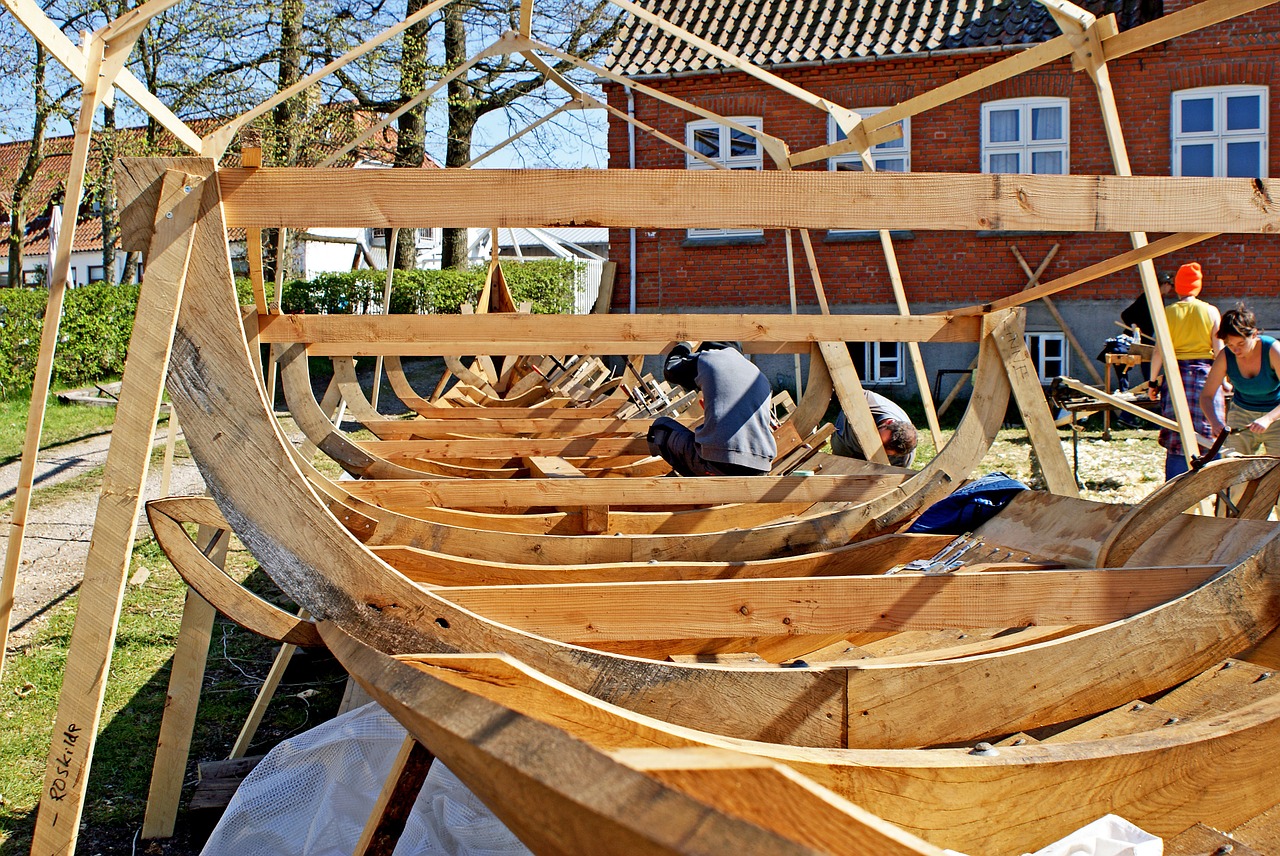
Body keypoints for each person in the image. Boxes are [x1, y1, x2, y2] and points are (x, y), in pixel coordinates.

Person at [646, 341, 776, 476]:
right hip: (760, 468)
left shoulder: (707, 357)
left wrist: (685, 345)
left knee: (660, 429)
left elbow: (671, 369)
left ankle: (696, 484)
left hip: (719, 465)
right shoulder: (759, 375)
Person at [1146, 262, 1225, 480]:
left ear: (1178, 288)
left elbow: (1158, 352)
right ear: (1198, 287)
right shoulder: (1210, 311)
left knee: (1177, 433)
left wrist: (1152, 383)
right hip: (1206, 376)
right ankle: (1215, 483)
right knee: (1211, 430)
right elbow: (1220, 351)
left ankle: (1174, 489)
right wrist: (1225, 380)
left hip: (1175, 377)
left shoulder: (1167, 313)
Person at [1201, 305, 1280, 456]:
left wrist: (1268, 419)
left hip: (1276, 413)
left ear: (1254, 334)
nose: (1235, 350)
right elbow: (1206, 396)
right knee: (1233, 465)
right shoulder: (1225, 357)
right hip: (1241, 414)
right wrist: (1215, 422)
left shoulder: (1273, 350)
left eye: (1241, 344)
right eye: (1230, 345)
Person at [830, 389, 918, 467]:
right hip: (844, 440)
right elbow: (844, 387)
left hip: (875, 467)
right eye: (880, 443)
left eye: (885, 451)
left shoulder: (902, 460)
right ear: (889, 422)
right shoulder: (866, 401)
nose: (875, 448)